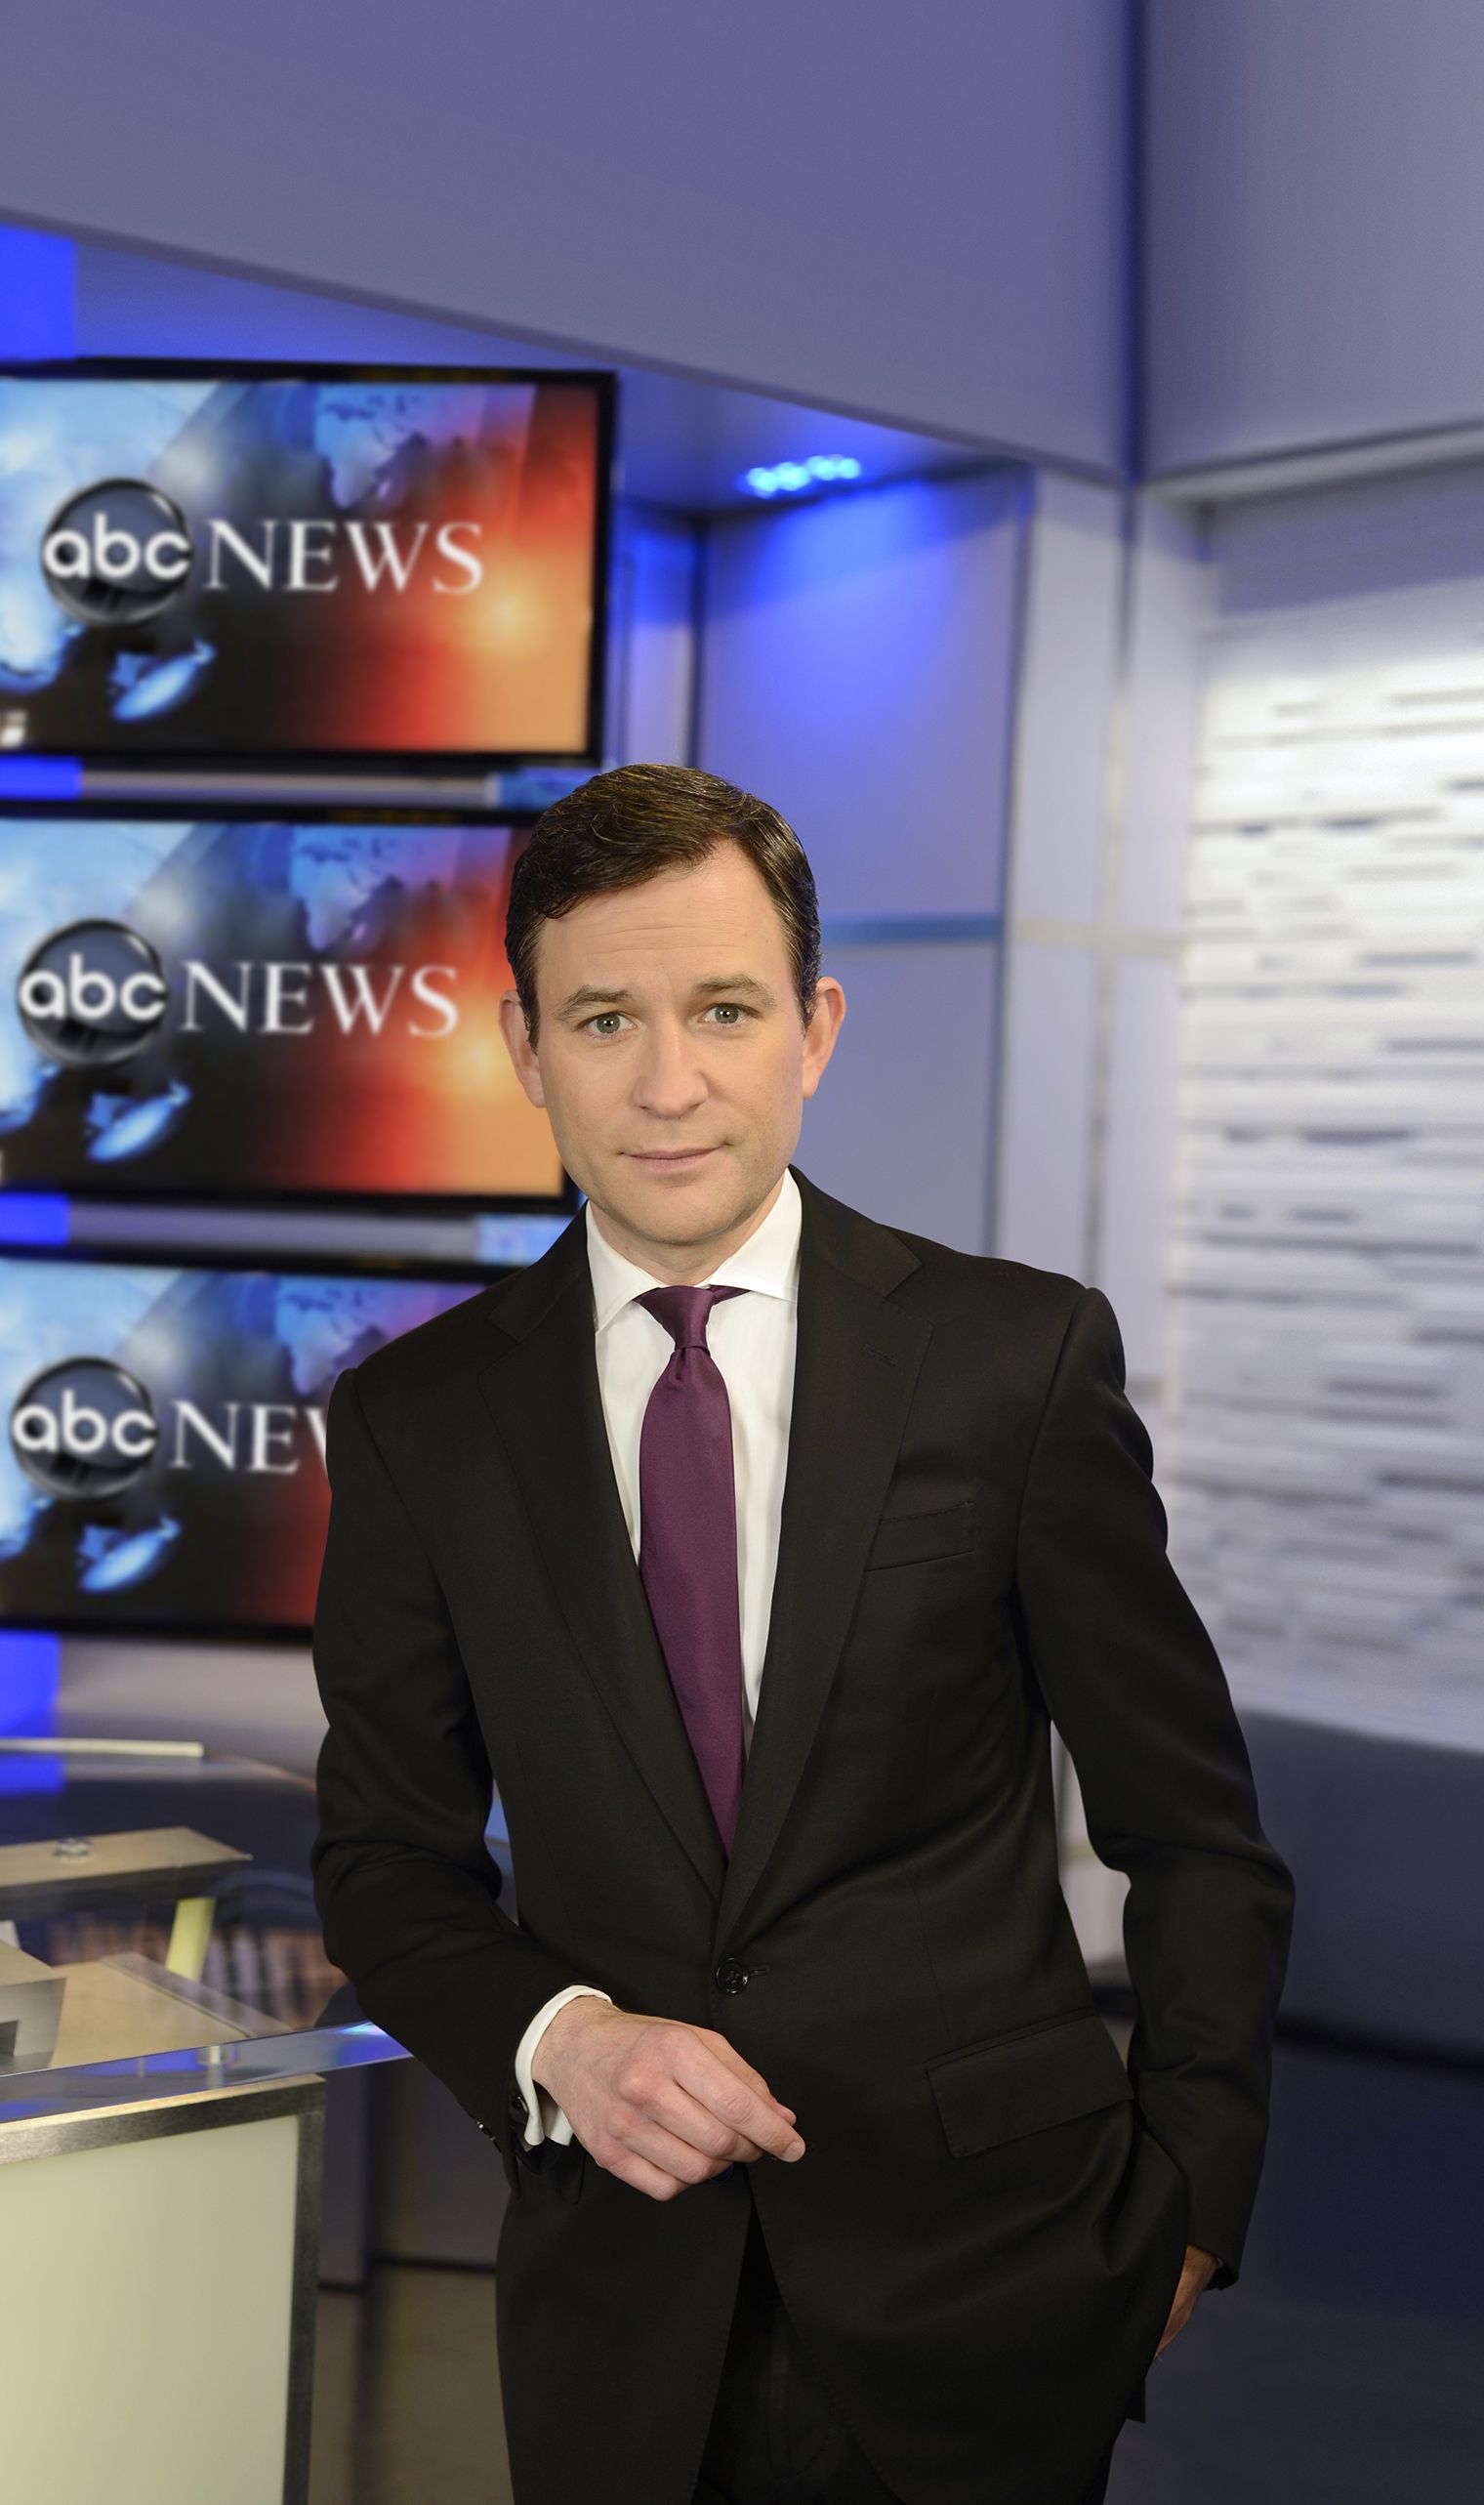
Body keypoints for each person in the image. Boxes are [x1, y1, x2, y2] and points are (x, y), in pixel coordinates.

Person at [309, 763, 1296, 2505]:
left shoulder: (1014, 1361)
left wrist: (1191, 2201)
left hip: (997, 2284)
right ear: (526, 1050)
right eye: (603, 1019)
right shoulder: (419, 1423)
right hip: (621, 2304)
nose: (667, 1082)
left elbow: (1195, 1828)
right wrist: (564, 2039)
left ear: (814, 1028)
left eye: (724, 1009)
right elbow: (387, 1859)